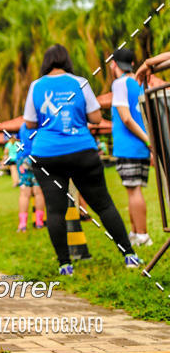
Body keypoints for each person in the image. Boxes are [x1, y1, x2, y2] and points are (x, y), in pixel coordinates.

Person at [23, 44, 141, 275]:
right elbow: (96, 118)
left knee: (55, 210)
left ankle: (65, 264)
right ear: (67, 60)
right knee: (104, 204)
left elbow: (29, 123)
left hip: (47, 155)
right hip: (81, 151)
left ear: (46, 62)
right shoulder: (80, 82)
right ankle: (129, 255)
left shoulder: (35, 86)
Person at [110, 48, 152, 248]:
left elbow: (126, 117)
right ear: (133, 65)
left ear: (114, 65)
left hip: (129, 146)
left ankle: (143, 235)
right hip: (140, 147)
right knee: (133, 189)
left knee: (134, 190)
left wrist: (147, 140)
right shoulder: (138, 84)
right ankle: (135, 233)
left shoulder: (119, 84)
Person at [16, 123, 46, 232]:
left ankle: (22, 224)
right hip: (37, 156)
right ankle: (39, 222)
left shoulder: (23, 126)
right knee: (38, 192)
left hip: (22, 158)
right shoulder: (42, 124)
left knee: (24, 193)